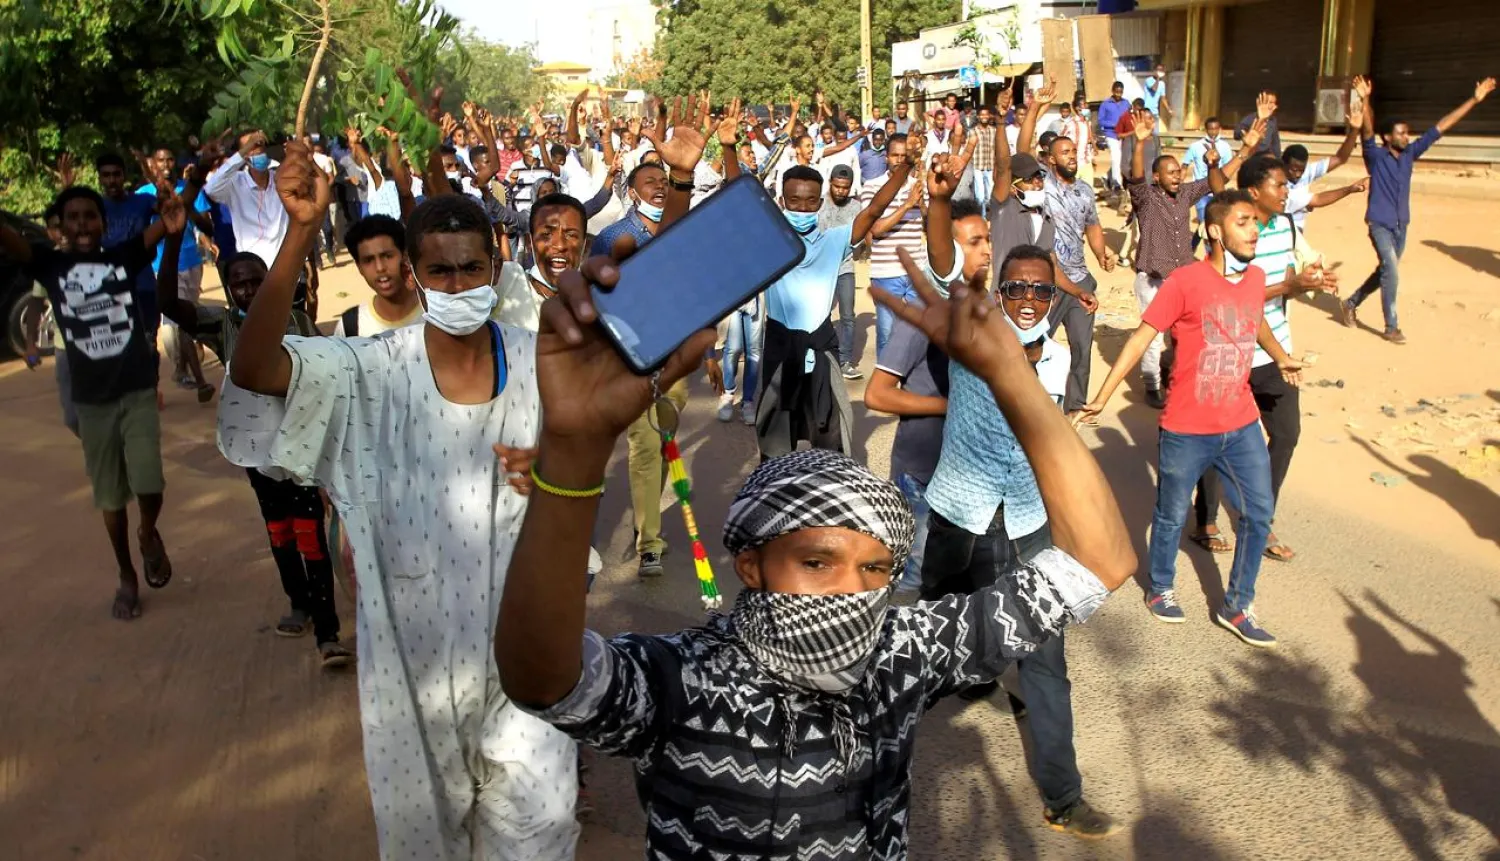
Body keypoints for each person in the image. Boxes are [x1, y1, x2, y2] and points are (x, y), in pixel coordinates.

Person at [494, 235, 1136, 860]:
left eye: (877, 569)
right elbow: (544, 681)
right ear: (750, 564)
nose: (851, 590)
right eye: (817, 561)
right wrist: (575, 446)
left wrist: (1010, 375)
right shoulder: (685, 678)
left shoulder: (899, 657)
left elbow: (1099, 562)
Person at [217, 141, 580, 860]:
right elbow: (257, 369)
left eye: (471, 267)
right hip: (410, 675)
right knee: (424, 843)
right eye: (438, 269)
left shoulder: (541, 360)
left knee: (539, 834)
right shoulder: (367, 372)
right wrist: (297, 234)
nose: (456, 282)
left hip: (526, 658)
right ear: (417, 275)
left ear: (496, 269)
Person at [922, 243, 1117, 837]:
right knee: (932, 636)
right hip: (959, 515)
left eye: (1040, 290)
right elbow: (941, 264)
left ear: (1054, 297)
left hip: (1028, 523)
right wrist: (935, 199)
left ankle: (1062, 796)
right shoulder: (971, 342)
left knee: (1045, 662)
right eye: (1016, 289)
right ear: (1000, 293)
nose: (1028, 299)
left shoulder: (1057, 359)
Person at [1075, 190, 1306, 648]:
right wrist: (1102, 396)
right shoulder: (1184, 281)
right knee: (1170, 514)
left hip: (1240, 424)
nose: (1254, 230)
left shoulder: (1256, 277)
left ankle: (1237, 605)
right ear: (1216, 231)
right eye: (1244, 222)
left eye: (1256, 222)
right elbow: (1142, 339)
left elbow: (1255, 317)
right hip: (1186, 427)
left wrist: (1280, 356)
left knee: (1259, 514)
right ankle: (1160, 588)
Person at [156, 240, 353, 668]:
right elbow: (168, 304)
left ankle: (328, 632)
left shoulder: (298, 320)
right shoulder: (221, 325)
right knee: (279, 530)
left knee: (310, 535)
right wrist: (173, 241)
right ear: (228, 291)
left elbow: (329, 371)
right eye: (238, 284)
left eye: (255, 281)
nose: (247, 290)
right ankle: (297, 604)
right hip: (255, 448)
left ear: (270, 283)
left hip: (301, 444)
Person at [4, 185, 179, 620]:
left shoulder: (121, 257)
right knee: (111, 498)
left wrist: (182, 202)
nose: (82, 224)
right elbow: (11, 241)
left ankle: (147, 531)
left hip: (136, 389)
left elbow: (166, 225)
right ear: (61, 226)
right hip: (93, 402)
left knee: (149, 484)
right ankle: (126, 574)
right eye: (74, 217)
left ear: (103, 221)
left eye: (90, 216)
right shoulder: (51, 264)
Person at [1193, 153, 1340, 565]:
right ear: (1256, 192)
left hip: (1276, 352)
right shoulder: (1232, 231)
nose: (1287, 192)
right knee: (1215, 439)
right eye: (1280, 185)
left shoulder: (1289, 226)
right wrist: (1289, 285)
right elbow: (1227, 291)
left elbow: (1308, 263)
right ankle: (1204, 519)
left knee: (1287, 433)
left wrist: (1317, 279)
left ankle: (1259, 516)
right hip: (1229, 352)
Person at [591, 103, 711, 577]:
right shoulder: (614, 237)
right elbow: (601, 301)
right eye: (650, 182)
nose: (659, 187)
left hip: (675, 358)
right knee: (644, 446)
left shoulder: (683, 229)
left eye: (664, 182)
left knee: (661, 443)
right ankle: (650, 543)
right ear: (630, 191)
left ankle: (648, 524)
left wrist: (714, 350)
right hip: (632, 358)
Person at [756, 145, 924, 461]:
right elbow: (741, 207)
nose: (802, 209)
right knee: (775, 452)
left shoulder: (834, 241)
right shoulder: (770, 242)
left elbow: (874, 209)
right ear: (782, 202)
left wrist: (907, 165)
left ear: (820, 204)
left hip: (822, 356)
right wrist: (727, 148)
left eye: (809, 203)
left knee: (829, 446)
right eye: (794, 201)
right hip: (780, 355)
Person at [864, 153, 976, 593]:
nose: (985, 251)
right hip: (922, 471)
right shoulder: (921, 318)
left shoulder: (992, 318)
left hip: (970, 476)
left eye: (987, 241)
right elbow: (877, 396)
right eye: (971, 243)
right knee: (913, 581)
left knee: (958, 581)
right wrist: (946, 405)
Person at [1341, 75, 1495, 344]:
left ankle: (1352, 302)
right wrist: (1365, 99)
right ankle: (1391, 326)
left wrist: (1474, 99)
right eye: (1401, 132)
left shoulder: (1411, 153)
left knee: (1386, 271)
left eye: (1407, 132)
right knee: (1391, 269)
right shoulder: (1375, 156)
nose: (1406, 135)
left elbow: (1441, 126)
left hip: (1401, 225)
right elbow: (1366, 130)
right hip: (1379, 223)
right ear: (1388, 137)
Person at [1125, 112, 1254, 409]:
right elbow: (1134, 178)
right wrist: (1141, 143)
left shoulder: (1185, 194)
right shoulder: (1146, 198)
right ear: (1156, 177)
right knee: (1154, 335)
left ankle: (1179, 378)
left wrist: (1222, 160)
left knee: (1184, 332)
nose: (1176, 176)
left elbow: (1216, 182)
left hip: (1182, 277)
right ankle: (1152, 384)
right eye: (1169, 172)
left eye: (1177, 171)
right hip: (1152, 279)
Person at [1039, 82, 1116, 416]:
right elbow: (1022, 150)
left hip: (1081, 281)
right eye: (1065, 153)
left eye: (1073, 152)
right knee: (1039, 347)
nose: (1072, 157)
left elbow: (1093, 226)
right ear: (1051, 160)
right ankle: (1038, 407)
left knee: (1082, 349)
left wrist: (1101, 253)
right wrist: (1039, 108)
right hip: (1049, 282)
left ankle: (1076, 407)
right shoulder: (1041, 186)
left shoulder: (1085, 189)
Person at [860, 132, 927, 357]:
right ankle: (884, 387)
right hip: (886, 273)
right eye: (895, 155)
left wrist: (925, 201)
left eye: (904, 155)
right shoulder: (872, 186)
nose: (899, 160)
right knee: (887, 335)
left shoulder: (918, 185)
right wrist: (907, 205)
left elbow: (929, 222)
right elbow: (875, 229)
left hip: (916, 270)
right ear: (886, 157)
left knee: (918, 335)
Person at [1281, 102, 1366, 232]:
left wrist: (1354, 131)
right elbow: (1318, 199)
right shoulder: (1275, 179)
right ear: (1283, 164)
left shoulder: (1306, 172)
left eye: (1301, 170)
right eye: (1294, 170)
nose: (1298, 175)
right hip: (1279, 228)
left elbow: (1340, 158)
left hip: (1297, 228)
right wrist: (1349, 189)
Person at [334, 215, 421, 336]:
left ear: (405, 256)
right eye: (368, 260)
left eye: (387, 256)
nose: (380, 268)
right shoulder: (351, 327)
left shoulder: (436, 314)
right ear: (359, 268)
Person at [819, 164, 863, 380]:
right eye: (837, 186)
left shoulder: (856, 207)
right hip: (822, 268)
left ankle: (845, 360)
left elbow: (860, 234)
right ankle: (824, 357)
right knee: (821, 314)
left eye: (845, 188)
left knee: (847, 316)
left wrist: (857, 248)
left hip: (845, 268)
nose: (840, 191)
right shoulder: (819, 205)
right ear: (830, 184)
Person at [1181, 117, 1234, 250]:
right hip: (1201, 193)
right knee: (1205, 223)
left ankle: (1192, 248)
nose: (1213, 132)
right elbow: (1185, 165)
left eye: (1216, 128)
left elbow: (1229, 168)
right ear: (1206, 129)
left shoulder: (1225, 147)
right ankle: (1207, 254)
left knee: (1214, 224)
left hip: (1218, 191)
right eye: (1211, 129)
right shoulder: (1195, 146)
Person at [1096, 82, 1130, 196]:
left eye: (1120, 92)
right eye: (1116, 91)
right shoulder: (1105, 104)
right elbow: (1100, 120)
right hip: (1111, 134)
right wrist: (1114, 124)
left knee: (1121, 159)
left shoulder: (1126, 103)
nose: (1118, 94)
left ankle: (1106, 176)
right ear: (1112, 90)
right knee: (1116, 157)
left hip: (1124, 135)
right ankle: (1116, 184)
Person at [971, 104, 999, 216]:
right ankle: (982, 218)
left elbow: (997, 148)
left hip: (991, 166)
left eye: (986, 114)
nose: (984, 116)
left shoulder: (994, 131)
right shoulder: (972, 131)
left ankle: (994, 217)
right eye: (982, 114)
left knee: (992, 195)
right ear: (978, 116)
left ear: (989, 116)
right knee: (980, 196)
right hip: (978, 166)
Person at [1236, 91, 1282, 157]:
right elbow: (1237, 132)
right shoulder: (1251, 118)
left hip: (1266, 157)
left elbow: (1275, 142)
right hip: (1252, 155)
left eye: (1274, 103)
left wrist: (1278, 158)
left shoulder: (1273, 121)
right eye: (1270, 102)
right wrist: (1245, 135)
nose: (1273, 105)